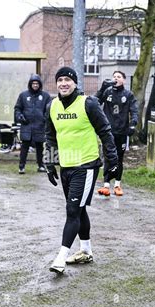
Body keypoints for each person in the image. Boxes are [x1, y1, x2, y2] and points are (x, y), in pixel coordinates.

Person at [45, 67, 118, 274]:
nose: (63, 83)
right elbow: (50, 136)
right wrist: (50, 164)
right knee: (79, 209)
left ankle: (60, 257)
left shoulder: (88, 103)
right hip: (65, 166)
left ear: (75, 82)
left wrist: (113, 160)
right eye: (60, 80)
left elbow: (105, 131)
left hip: (85, 166)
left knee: (72, 210)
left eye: (68, 79)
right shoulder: (52, 106)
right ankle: (85, 251)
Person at [95, 70, 139, 197]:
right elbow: (95, 102)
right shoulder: (107, 92)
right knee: (108, 157)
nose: (116, 79)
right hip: (108, 132)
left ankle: (117, 185)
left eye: (118, 77)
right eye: (114, 76)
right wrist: (102, 88)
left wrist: (133, 124)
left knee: (119, 158)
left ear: (123, 80)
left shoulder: (128, 95)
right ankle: (106, 185)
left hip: (122, 132)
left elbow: (134, 111)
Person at [14, 74, 51, 174]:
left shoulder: (45, 96)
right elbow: (17, 108)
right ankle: (21, 167)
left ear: (40, 84)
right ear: (30, 84)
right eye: (33, 83)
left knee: (39, 147)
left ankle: (41, 165)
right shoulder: (23, 95)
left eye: (37, 83)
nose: (35, 85)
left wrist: (44, 119)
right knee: (24, 146)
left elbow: (50, 110)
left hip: (40, 126)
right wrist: (20, 116)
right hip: (27, 126)